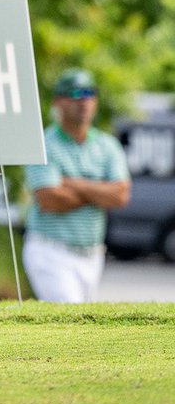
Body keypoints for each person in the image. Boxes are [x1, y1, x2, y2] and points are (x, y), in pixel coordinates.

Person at [22, 68, 131, 303]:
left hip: (93, 255)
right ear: (57, 102)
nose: (83, 101)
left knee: (79, 316)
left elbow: (120, 195)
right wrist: (99, 192)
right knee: (71, 314)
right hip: (51, 251)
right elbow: (50, 200)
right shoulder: (43, 144)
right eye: (75, 93)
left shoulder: (107, 145)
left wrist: (72, 183)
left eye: (89, 93)